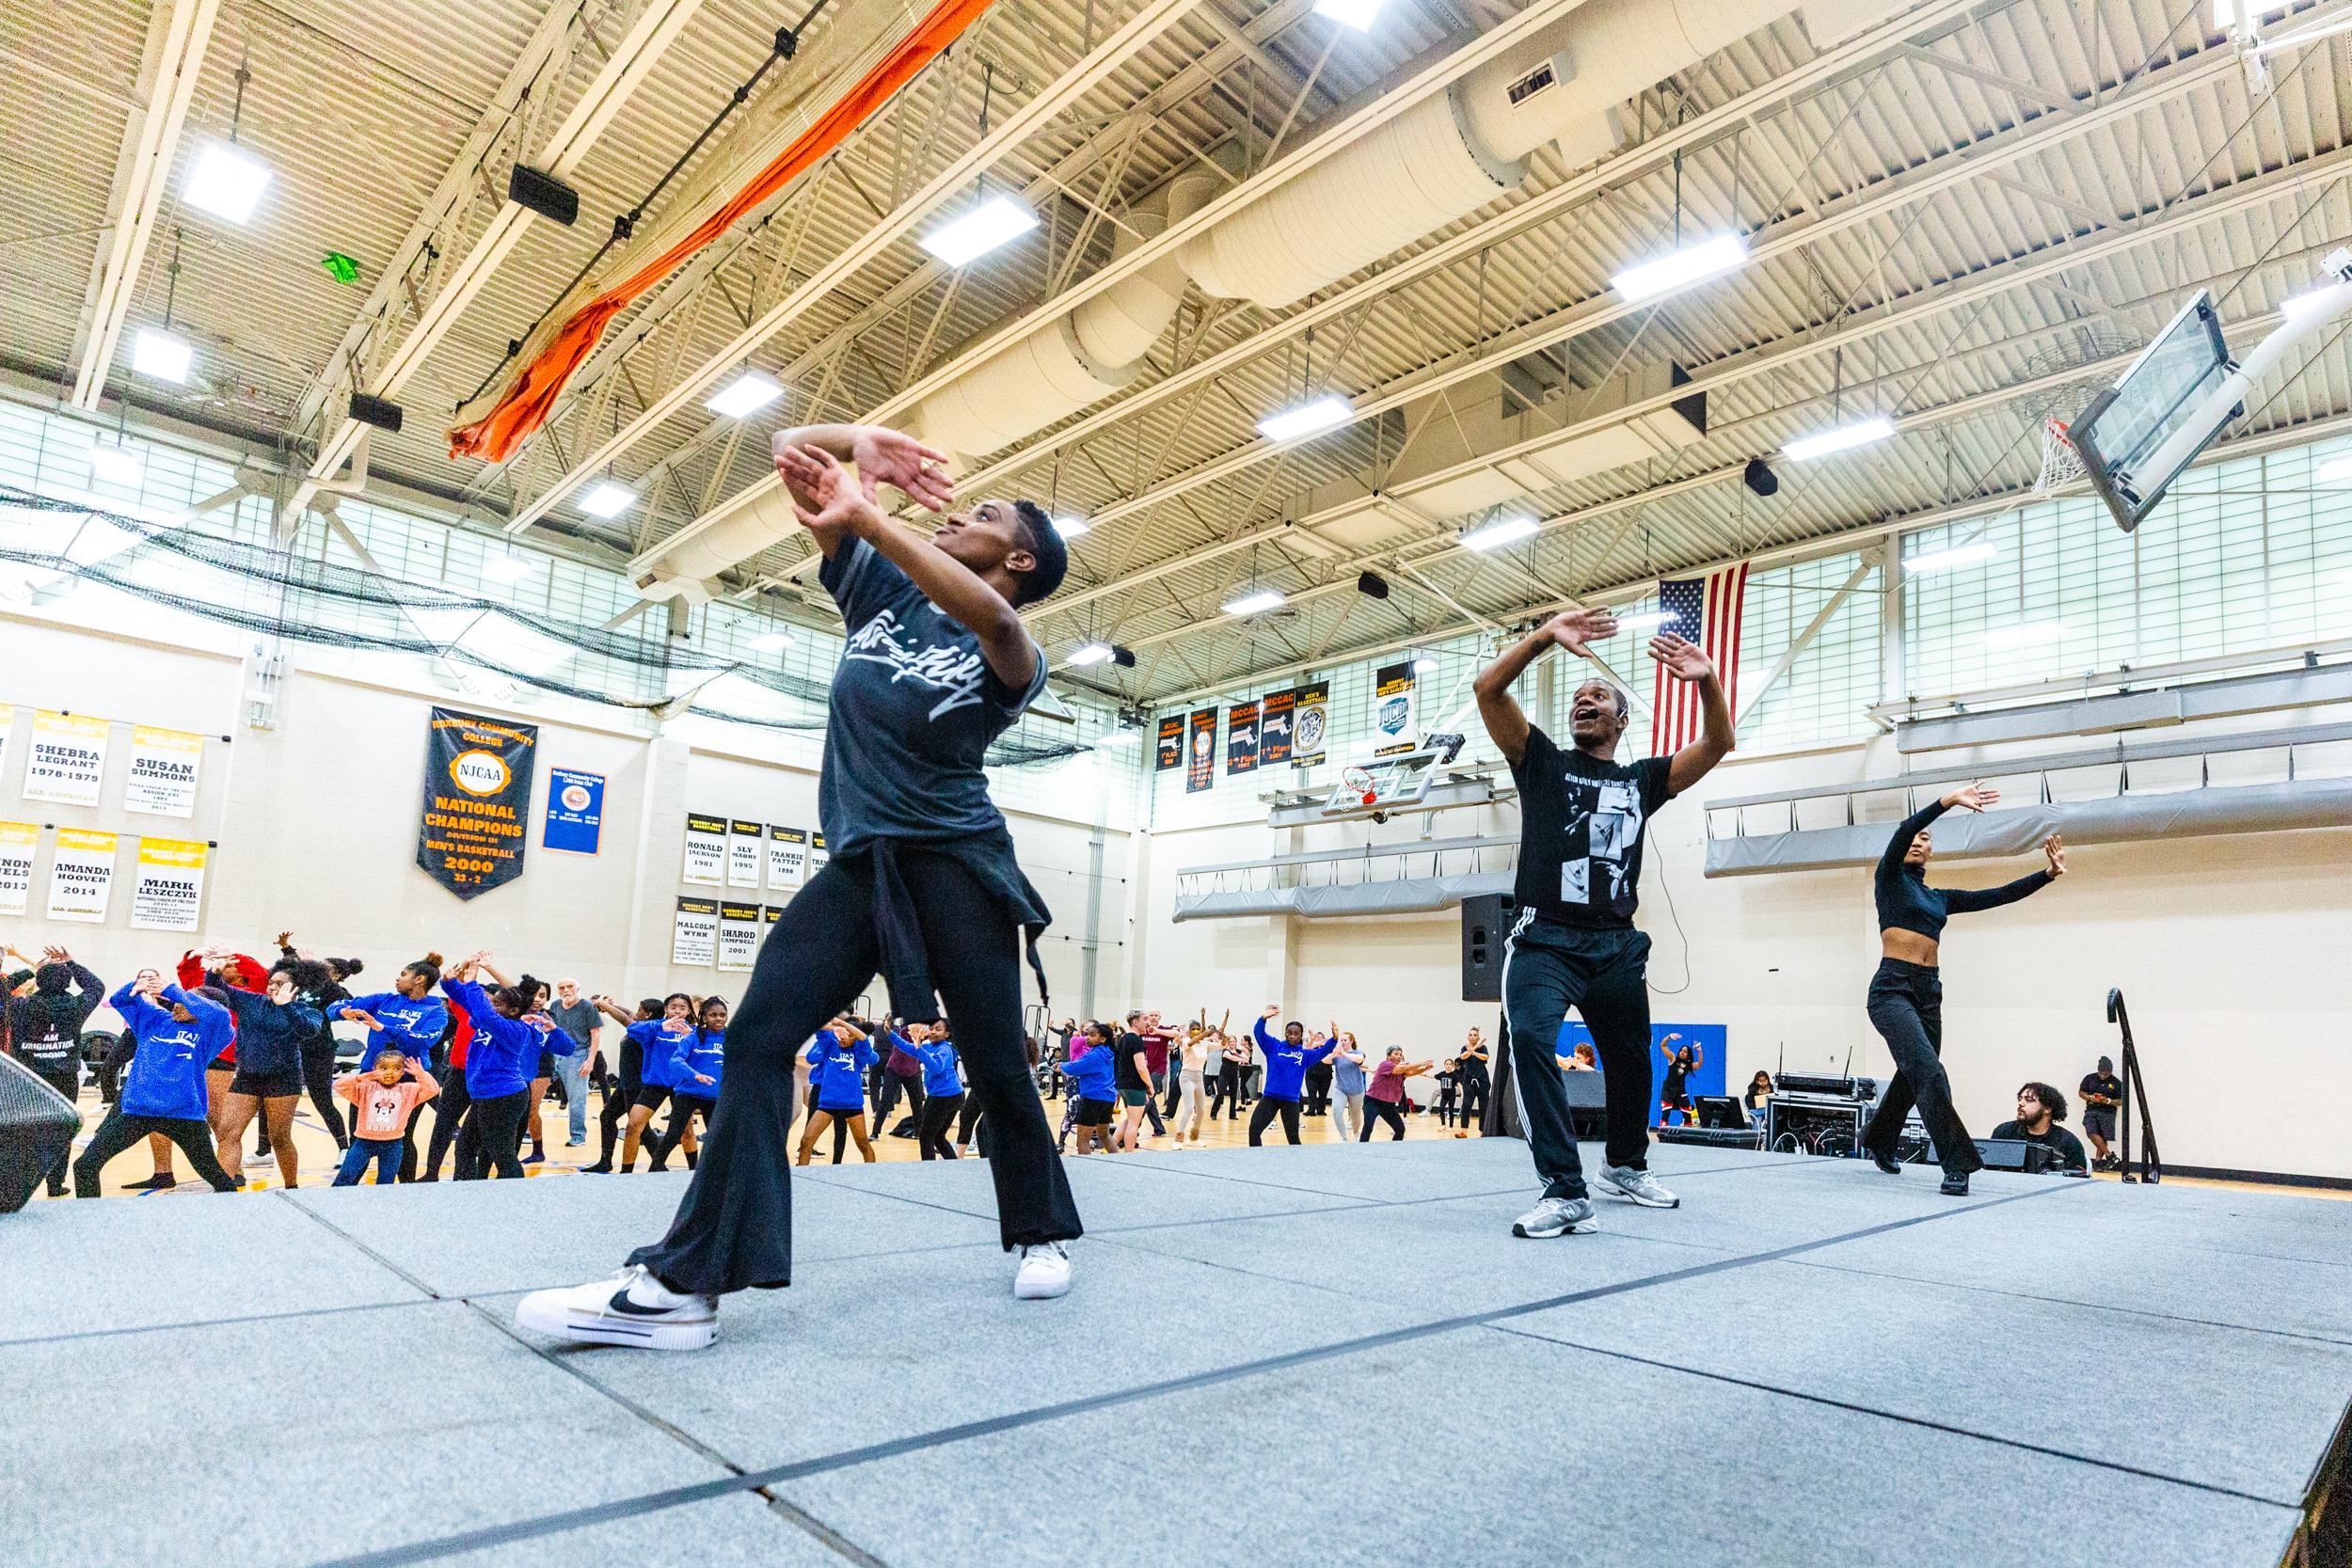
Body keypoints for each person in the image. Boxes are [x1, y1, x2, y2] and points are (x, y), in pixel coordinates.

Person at [520, 426, 1085, 1351]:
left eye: (984, 516)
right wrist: (859, 445)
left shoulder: (1008, 644)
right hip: (864, 866)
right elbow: (793, 456)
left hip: (959, 865)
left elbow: (1001, 624)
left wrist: (869, 512)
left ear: (1018, 556)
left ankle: (1039, 1230)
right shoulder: (882, 599)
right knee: (755, 1036)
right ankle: (687, 1285)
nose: (958, 512)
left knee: (994, 1057)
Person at [1474, 608, 1734, 1239]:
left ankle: (1624, 1163)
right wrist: (1540, 638)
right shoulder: (1540, 761)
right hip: (1544, 940)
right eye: (1579, 696)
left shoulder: (1642, 780)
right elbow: (1488, 690)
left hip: (1616, 947)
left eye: (1599, 696)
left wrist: (1706, 682)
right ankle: (1565, 1189)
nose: (1584, 700)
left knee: (1632, 1062)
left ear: (1622, 720)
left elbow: (1719, 744)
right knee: (1533, 1040)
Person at [1858, 782, 2067, 1196]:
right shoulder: (1889, 879)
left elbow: (1996, 896)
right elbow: (1906, 827)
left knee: (1914, 1072)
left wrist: (2047, 875)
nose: (1918, 841)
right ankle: (1957, 1163)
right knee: (1930, 1072)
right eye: (1915, 837)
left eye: (1926, 839)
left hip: (1928, 993)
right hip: (1891, 990)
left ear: (1932, 851)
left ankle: (1880, 1137)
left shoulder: (1939, 898)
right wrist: (1948, 801)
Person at [72, 974, 239, 1197]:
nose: (176, 1005)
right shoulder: (155, 1020)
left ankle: (233, 1212)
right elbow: (120, 1000)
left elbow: (218, 1013)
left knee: (214, 1175)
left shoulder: (213, 1032)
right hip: (139, 1112)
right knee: (85, 1165)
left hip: (184, 1115)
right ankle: (87, 1221)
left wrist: (173, 990)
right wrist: (135, 986)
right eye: (177, 1001)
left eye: (185, 1001)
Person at [440, 951, 566, 1181]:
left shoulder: (515, 1030)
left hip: (504, 1097)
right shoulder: (491, 1021)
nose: (491, 1006)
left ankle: (513, 1196)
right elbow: (470, 1003)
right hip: (484, 1095)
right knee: (465, 1147)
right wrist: (449, 982)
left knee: (502, 1154)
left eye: (496, 1003)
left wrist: (472, 983)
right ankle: (464, 1190)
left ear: (514, 1011)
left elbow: (484, 1012)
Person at [209, 951, 327, 1190]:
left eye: (280, 984)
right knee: (228, 1133)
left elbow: (309, 1031)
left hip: (283, 1079)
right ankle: (222, 1189)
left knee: (280, 1138)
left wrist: (287, 1008)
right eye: (271, 982)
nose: (272, 986)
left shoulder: (306, 1011)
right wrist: (214, 971)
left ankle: (292, 1187)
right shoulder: (251, 1002)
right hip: (247, 1077)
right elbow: (216, 990)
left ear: (295, 988)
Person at [335, 955, 449, 1180]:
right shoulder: (384, 999)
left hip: (407, 1081)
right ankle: (346, 1188)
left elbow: (424, 1040)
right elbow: (339, 1005)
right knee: (358, 1136)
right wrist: (341, 1012)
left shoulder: (435, 1010)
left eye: (403, 974)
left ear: (419, 979)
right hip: (371, 1077)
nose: (397, 979)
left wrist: (382, 1027)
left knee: (402, 1136)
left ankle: (405, 1187)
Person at [8, 946, 103, 1196]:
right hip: (64, 1078)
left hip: (28, 1079)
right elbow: (96, 987)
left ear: (37, 981)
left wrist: (28, 970)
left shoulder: (21, 1007)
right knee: (60, 1130)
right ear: (68, 983)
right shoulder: (76, 1006)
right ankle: (55, 1183)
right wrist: (72, 963)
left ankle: (16, 1183)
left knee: (22, 1131)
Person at [278, 938, 359, 1153]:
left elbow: (347, 1000)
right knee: (272, 1098)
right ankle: (263, 1151)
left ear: (336, 975)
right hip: (291, 1048)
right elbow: (291, 969)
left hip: (318, 1050)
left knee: (322, 1101)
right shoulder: (304, 985)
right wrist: (287, 949)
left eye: (324, 968)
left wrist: (321, 973)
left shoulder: (334, 991)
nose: (317, 969)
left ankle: (344, 1149)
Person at [331, 1051, 440, 1187]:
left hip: (393, 1145)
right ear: (374, 1070)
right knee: (345, 1176)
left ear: (402, 1073)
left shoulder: (409, 1091)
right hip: (363, 1143)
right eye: (383, 1068)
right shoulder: (365, 1088)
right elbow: (338, 1085)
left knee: (385, 1184)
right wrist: (362, 1077)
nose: (390, 1072)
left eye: (396, 1068)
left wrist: (421, 1074)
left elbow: (433, 1090)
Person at [583, 996, 661, 1174]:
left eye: (640, 1009)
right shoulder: (643, 1024)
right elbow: (627, 1013)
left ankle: (659, 1163)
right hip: (625, 1084)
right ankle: (605, 1161)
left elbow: (624, 1018)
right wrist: (609, 1005)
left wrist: (603, 1005)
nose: (636, 1012)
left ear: (648, 1014)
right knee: (607, 1117)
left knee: (641, 1128)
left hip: (636, 1085)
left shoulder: (646, 1030)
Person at [649, 996, 728, 1171]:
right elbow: (676, 1061)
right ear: (704, 1017)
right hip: (688, 1093)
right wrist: (695, 1075)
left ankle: (715, 1174)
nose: (718, 1018)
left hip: (714, 1097)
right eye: (713, 1015)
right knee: (673, 1134)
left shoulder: (731, 1040)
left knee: (717, 1139)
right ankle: (654, 1168)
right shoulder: (693, 1037)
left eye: (722, 1015)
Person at [1247, 1006, 1338, 1148]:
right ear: (1285, 1033)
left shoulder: (1305, 1055)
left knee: (1293, 1139)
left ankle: (1298, 1165)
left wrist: (1335, 1038)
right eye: (1290, 1033)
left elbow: (1324, 1050)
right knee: (1254, 1130)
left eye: (1296, 1033)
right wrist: (1263, 1018)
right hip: (1270, 1098)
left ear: (1301, 1035)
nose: (1293, 1036)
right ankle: (1256, 1159)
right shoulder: (1273, 1047)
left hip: (1291, 1101)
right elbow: (1259, 1033)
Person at [798, 1018, 878, 1164]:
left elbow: (863, 1037)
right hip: (827, 1104)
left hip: (852, 1105)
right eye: (841, 1034)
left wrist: (843, 1024)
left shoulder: (859, 1052)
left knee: (863, 1144)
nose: (843, 1038)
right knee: (806, 1141)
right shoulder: (829, 1045)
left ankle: (872, 1176)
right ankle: (801, 1176)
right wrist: (834, 1028)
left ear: (855, 1037)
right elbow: (817, 1026)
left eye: (848, 1035)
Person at [545, 977, 601, 1150]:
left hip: (577, 1055)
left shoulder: (587, 1007)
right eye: (562, 987)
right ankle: (529, 1132)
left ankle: (578, 1135)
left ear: (578, 988)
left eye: (570, 987)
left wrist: (590, 1060)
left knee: (577, 1099)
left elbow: (595, 1034)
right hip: (555, 1052)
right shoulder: (555, 1005)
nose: (566, 990)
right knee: (534, 1092)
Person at [1990, 1082, 2089, 1173]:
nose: (2020, 1103)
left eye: (2028, 1100)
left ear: (2047, 1108)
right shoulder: (2004, 1132)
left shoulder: (2068, 1142)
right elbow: (1989, 1170)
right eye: (2020, 1098)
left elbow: (2075, 1180)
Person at [1059, 1022, 1120, 1155]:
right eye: (1087, 1034)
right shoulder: (1109, 1052)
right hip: (1108, 1098)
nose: (1087, 1037)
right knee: (1104, 1135)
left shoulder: (1095, 1055)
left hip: (1093, 1099)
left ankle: (1085, 1168)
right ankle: (1118, 1160)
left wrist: (1061, 1066)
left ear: (1103, 1039)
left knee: (1082, 1139)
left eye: (1092, 1035)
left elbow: (1076, 1067)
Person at [910, 1025, 966, 1160]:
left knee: (926, 1136)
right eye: (931, 1028)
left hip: (945, 1096)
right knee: (938, 1136)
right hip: (949, 1095)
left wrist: (919, 1050)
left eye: (938, 1029)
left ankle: (930, 1172)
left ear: (947, 1034)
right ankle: (954, 1165)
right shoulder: (931, 1046)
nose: (933, 1031)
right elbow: (911, 1049)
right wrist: (892, 1036)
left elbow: (935, 1068)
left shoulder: (945, 1049)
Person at [1360, 1047, 1434, 1141]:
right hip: (1373, 1101)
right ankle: (1362, 1148)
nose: (1399, 1056)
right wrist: (1420, 1063)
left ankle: (1394, 1149)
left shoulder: (1399, 1071)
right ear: (1388, 1056)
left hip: (1388, 1105)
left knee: (1400, 1129)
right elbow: (1403, 1067)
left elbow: (1410, 1073)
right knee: (1368, 1127)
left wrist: (1424, 1069)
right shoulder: (1385, 1064)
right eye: (1396, 1054)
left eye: (1400, 1054)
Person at [1111, 1013, 1156, 1152]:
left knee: (1129, 1119)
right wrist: (1150, 1086)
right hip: (1135, 1085)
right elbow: (1141, 1068)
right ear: (1135, 1022)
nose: (1147, 1022)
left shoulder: (1123, 1038)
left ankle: (1109, 1148)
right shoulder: (1135, 1040)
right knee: (1134, 1123)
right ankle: (1129, 1155)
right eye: (1145, 1019)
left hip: (1123, 1084)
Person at [2080, 1055, 2124, 1169]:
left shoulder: (2116, 1083)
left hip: (2107, 1112)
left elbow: (2121, 1101)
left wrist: (2108, 1101)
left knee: (2103, 1136)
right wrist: (2090, 1097)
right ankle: (2110, 1156)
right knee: (2091, 1132)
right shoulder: (2090, 1078)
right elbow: (2081, 1092)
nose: (2103, 1076)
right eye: (2101, 1073)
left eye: (2106, 1074)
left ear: (2111, 1071)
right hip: (2092, 1109)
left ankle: (2098, 1162)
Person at [1173, 1024, 1213, 1145]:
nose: (1196, 1031)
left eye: (1198, 1029)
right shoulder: (1186, 1041)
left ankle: (1194, 1138)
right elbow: (1191, 1043)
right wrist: (1205, 1034)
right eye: (1193, 1029)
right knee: (1189, 1108)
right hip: (1186, 1077)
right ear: (1189, 1031)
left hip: (1199, 1077)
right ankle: (1178, 1139)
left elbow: (1223, 1045)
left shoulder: (1205, 1044)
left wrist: (1223, 1036)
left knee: (1201, 1110)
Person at [1328, 1031, 1368, 1143]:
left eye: (1345, 1040)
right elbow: (1324, 1061)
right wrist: (1334, 1054)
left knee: (1355, 1117)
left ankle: (1356, 1134)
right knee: (1336, 1111)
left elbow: (1360, 1059)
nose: (1342, 1042)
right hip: (1341, 1088)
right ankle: (1344, 1137)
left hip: (1357, 1090)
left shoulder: (1357, 1052)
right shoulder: (1337, 1055)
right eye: (1341, 1040)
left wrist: (1343, 1054)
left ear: (1351, 1041)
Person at [1657, 1033, 1700, 1127]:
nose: (1682, 1052)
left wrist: (1699, 1051)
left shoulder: (1689, 1065)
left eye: (1685, 1051)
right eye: (1681, 1050)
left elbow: (1700, 1064)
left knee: (1688, 1116)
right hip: (1668, 1089)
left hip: (1681, 1091)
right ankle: (1663, 1133)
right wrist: (1668, 1037)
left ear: (1688, 1055)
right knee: (1665, 1115)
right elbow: (1663, 1045)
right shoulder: (1672, 1058)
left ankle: (1689, 1129)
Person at [1454, 1027, 1490, 1135]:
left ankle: (1481, 1132)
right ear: (1468, 1037)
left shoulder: (1483, 1048)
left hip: (1482, 1081)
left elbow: (1485, 1057)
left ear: (1478, 1037)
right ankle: (1464, 1131)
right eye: (1471, 1035)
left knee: (1483, 1107)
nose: (1473, 1036)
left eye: (1475, 1035)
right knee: (1466, 1105)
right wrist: (1472, 1049)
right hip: (1469, 1081)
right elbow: (1463, 1056)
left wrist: (1473, 1051)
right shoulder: (1464, 1048)